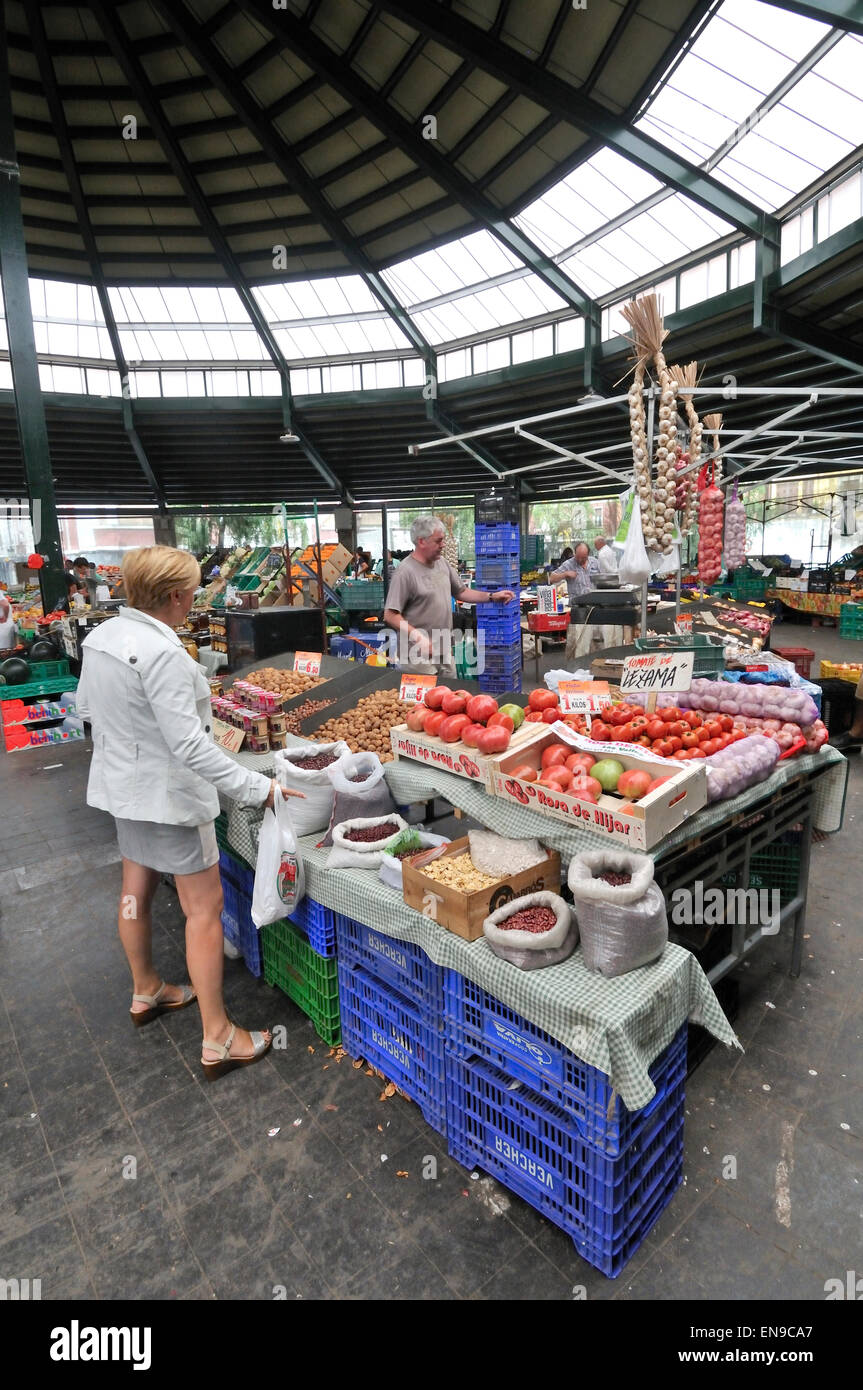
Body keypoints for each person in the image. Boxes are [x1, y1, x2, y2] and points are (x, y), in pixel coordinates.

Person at [75, 545, 306, 1082]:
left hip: (122, 790)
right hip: (169, 798)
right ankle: (219, 1037)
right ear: (177, 597)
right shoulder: (164, 657)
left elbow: (87, 710)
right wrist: (258, 787)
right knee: (203, 909)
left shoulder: (103, 637)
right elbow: (192, 749)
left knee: (135, 888)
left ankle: (146, 988)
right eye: (193, 591)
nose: (195, 598)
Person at [384, 515, 515, 675]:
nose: (443, 545)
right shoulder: (405, 572)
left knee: (449, 697)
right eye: (438, 541)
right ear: (421, 541)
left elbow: (462, 592)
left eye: (443, 540)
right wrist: (418, 637)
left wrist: (491, 596)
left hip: (444, 651)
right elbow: (390, 615)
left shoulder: (442, 564)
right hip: (416, 656)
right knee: (425, 699)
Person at [548, 541, 595, 663]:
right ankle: (576, 665)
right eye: (578, 556)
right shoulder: (569, 564)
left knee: (594, 640)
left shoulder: (595, 562)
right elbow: (552, 578)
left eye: (583, 557)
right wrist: (565, 574)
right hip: (578, 608)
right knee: (577, 641)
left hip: (595, 607)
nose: (580, 559)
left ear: (588, 555)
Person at [0, 586, 16, 653]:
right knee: (6, 652)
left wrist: (5, 617)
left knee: (5, 652)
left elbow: (5, 605)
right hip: (4, 625)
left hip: (3, 625)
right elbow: (5, 604)